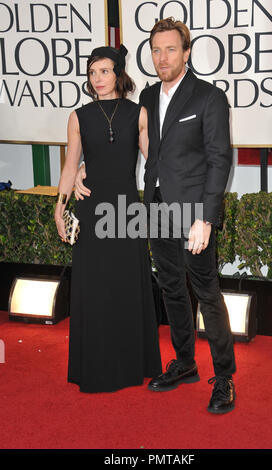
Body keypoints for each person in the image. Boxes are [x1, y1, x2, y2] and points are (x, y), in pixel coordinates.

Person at [75, 19, 236, 414]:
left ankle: (225, 378)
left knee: (207, 291)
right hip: (157, 208)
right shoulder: (145, 97)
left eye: (170, 49)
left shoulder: (208, 97)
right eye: (156, 50)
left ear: (186, 52)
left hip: (194, 211)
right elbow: (122, 143)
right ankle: (184, 363)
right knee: (171, 289)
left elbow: (219, 160)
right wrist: (82, 169)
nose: (162, 57)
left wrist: (207, 218)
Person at [54, 45, 162, 393]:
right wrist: (60, 205)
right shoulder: (79, 117)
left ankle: (133, 364)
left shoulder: (138, 113)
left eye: (104, 71)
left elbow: (154, 162)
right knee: (95, 289)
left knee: (127, 285)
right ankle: (97, 366)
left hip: (127, 212)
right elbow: (71, 165)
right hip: (92, 210)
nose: (97, 79)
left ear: (118, 74)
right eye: (92, 72)